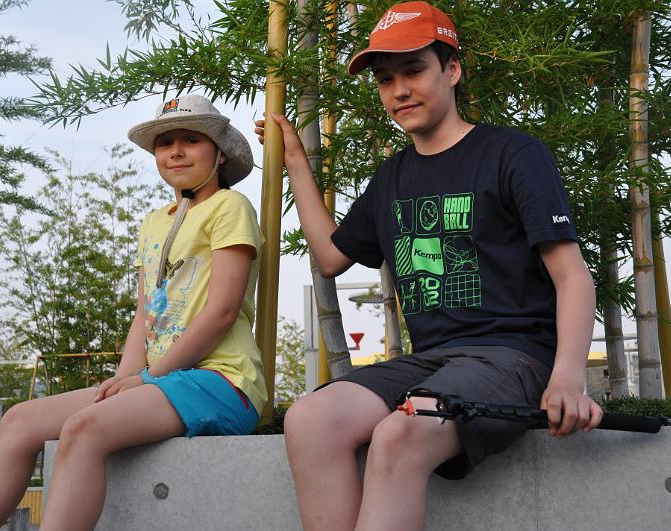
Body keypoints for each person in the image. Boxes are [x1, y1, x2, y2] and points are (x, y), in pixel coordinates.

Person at [255, 2, 603, 530]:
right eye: (385, 79)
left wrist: (567, 379)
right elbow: (329, 258)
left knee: (401, 432)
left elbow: (571, 275)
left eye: (414, 70)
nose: (398, 90)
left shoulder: (513, 154)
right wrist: (299, 166)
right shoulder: (391, 176)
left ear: (452, 69)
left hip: (513, 357)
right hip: (433, 360)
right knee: (309, 419)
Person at [0, 94, 266, 531]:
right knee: (18, 420)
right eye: (165, 141)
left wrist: (148, 379)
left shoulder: (229, 207)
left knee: (84, 428)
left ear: (219, 152)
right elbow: (147, 312)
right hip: (163, 381)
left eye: (191, 139)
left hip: (221, 380)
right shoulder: (155, 221)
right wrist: (123, 378)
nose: (175, 150)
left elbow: (222, 311)